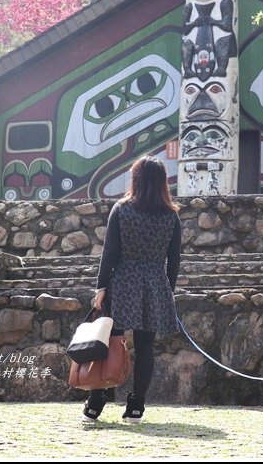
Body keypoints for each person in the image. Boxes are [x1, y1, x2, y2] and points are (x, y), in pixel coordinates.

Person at [83, 156, 181, 424]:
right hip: (154, 283)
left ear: (136, 179)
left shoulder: (122, 209)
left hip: (123, 281)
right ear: (162, 182)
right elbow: (174, 258)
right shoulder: (171, 215)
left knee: (108, 341)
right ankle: (136, 407)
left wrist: (101, 286)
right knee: (146, 347)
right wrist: (167, 291)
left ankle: (96, 401)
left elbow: (110, 252)